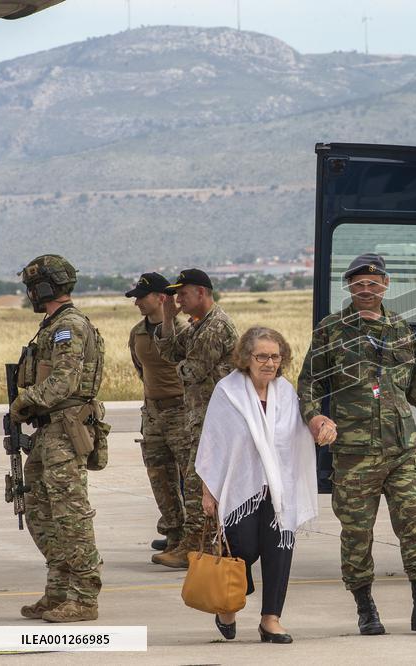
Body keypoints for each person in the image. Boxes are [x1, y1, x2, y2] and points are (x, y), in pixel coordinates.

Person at [297, 252, 416, 635]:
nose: (365, 290)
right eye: (358, 284)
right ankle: (366, 609)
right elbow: (309, 382)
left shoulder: (399, 328)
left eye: (373, 284)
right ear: (349, 287)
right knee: (357, 533)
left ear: (386, 286)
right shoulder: (331, 330)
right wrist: (314, 416)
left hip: (401, 450)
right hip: (355, 455)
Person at [197, 327, 319, 644]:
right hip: (241, 487)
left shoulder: (286, 393)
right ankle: (229, 601)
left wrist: (322, 426)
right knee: (243, 549)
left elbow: (298, 435)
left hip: (280, 488)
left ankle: (271, 620)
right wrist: (208, 490)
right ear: (246, 358)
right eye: (261, 356)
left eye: (274, 356)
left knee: (279, 550)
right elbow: (213, 441)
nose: (269, 363)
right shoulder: (228, 392)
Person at [10, 255, 105, 623]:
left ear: (46, 287)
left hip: (65, 431)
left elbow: (63, 382)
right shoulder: (52, 326)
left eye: (34, 287)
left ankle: (83, 597)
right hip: (49, 431)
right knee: (39, 511)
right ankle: (58, 591)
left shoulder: (69, 327)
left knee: (70, 515)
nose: (31, 294)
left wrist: (25, 401)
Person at [151, 268, 238, 568]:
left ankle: (199, 547)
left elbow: (191, 370)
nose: (179, 299)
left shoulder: (215, 327)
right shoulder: (200, 325)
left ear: (201, 292)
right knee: (196, 481)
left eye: (183, 294)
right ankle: (199, 545)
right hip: (200, 418)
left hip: (214, 420)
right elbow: (170, 352)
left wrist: (173, 372)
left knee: (198, 484)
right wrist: (167, 316)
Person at [126, 272, 188, 553]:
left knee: (193, 477)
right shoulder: (137, 333)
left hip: (182, 411)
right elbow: (142, 370)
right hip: (152, 414)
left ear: (162, 298)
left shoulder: (184, 330)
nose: (137, 301)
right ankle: (174, 535)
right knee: (160, 478)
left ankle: (195, 538)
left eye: (142, 296)